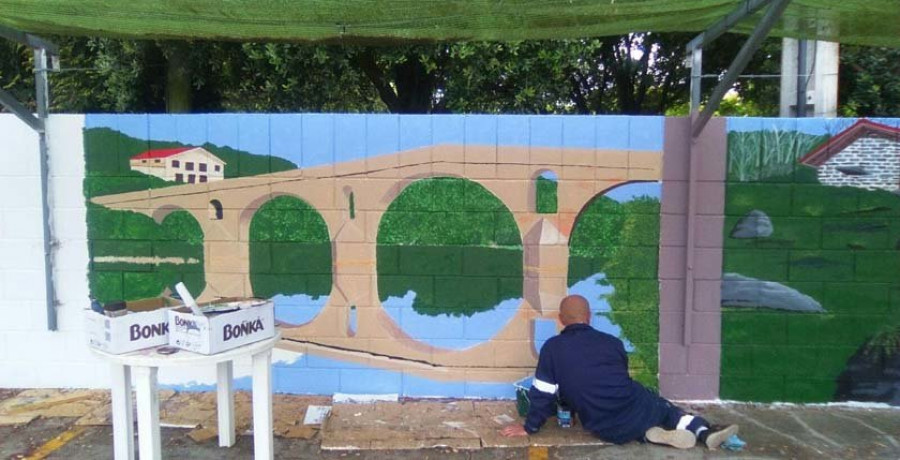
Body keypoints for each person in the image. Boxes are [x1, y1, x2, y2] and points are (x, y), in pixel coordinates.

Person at [500, 295, 738, 449]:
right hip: (628, 401)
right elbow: (618, 378)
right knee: (664, 409)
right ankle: (703, 432)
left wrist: (529, 427)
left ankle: (649, 435)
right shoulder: (611, 342)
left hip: (600, 422)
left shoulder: (552, 347)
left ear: (561, 320)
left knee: (621, 424)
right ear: (589, 317)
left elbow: (543, 394)